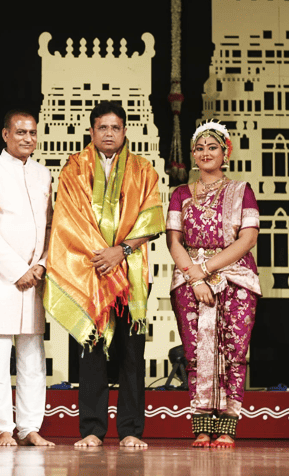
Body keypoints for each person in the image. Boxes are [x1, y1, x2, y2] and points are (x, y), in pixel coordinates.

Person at [44, 101, 165, 448]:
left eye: (115, 127)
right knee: (91, 349)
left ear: (124, 131)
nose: (109, 133)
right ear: (92, 131)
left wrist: (120, 251)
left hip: (130, 273)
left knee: (132, 353)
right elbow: (69, 220)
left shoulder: (143, 169)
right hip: (91, 270)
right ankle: (92, 429)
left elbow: (151, 219)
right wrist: (103, 257)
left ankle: (130, 430)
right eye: (102, 127)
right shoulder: (74, 168)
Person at [166, 121, 261, 448]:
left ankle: (228, 427)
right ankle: (203, 426)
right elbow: (174, 242)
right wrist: (195, 277)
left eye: (212, 147)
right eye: (199, 148)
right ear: (193, 155)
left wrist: (206, 268)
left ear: (225, 153)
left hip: (236, 277)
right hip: (190, 279)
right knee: (195, 352)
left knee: (234, 352)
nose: (205, 153)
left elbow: (248, 238)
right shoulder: (181, 194)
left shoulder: (242, 190)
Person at [0, 110, 54, 447]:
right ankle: (3, 426)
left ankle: (30, 427)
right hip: (1, 277)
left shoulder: (43, 174)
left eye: (32, 132)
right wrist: (18, 271)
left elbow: (50, 226)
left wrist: (41, 265)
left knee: (32, 358)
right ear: (5, 134)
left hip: (35, 277)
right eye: (20, 132)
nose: (27, 138)